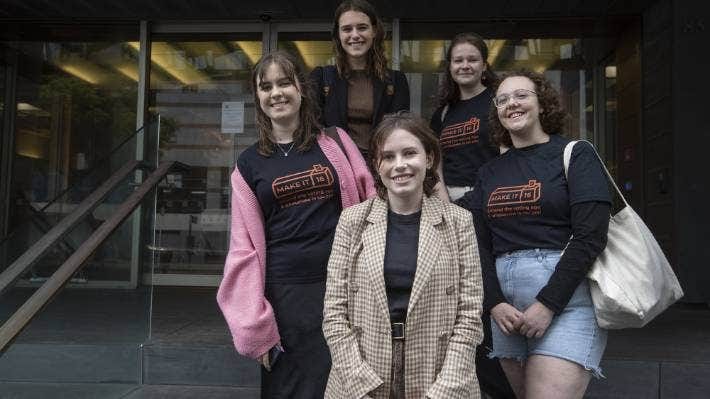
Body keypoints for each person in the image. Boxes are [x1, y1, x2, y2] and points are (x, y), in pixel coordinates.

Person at [217, 50, 376, 399]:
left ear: (301, 89)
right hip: (285, 295)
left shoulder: (335, 142)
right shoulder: (248, 164)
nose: (276, 93)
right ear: (258, 98)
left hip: (340, 288)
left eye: (284, 82)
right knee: (289, 389)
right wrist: (254, 326)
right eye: (266, 86)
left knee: (343, 384)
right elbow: (243, 249)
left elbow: (371, 208)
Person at [459, 70, 611, 399]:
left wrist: (547, 304)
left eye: (521, 95)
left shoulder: (576, 154)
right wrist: (494, 302)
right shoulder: (489, 172)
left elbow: (591, 236)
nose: (511, 103)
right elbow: (477, 245)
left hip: (566, 303)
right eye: (502, 99)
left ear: (542, 103)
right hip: (506, 313)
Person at [323, 111, 483, 399]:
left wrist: (444, 390)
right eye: (388, 156)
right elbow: (334, 313)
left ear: (429, 159)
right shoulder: (352, 221)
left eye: (410, 153)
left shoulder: (458, 222)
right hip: (364, 373)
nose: (400, 165)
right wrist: (358, 384)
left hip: (437, 371)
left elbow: (470, 316)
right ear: (377, 164)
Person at [310, 0, 410, 160]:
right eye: (347, 29)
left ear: (374, 31)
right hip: (337, 169)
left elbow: (401, 132)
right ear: (338, 34)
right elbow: (313, 131)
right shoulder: (321, 78)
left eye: (362, 27)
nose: (355, 35)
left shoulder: (396, 81)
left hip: (382, 167)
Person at [430, 32, 499, 202]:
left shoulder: (499, 102)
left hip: (490, 195)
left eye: (473, 60)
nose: (465, 65)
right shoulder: (443, 112)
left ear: (484, 66)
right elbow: (434, 161)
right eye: (458, 60)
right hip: (449, 197)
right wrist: (442, 197)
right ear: (450, 66)